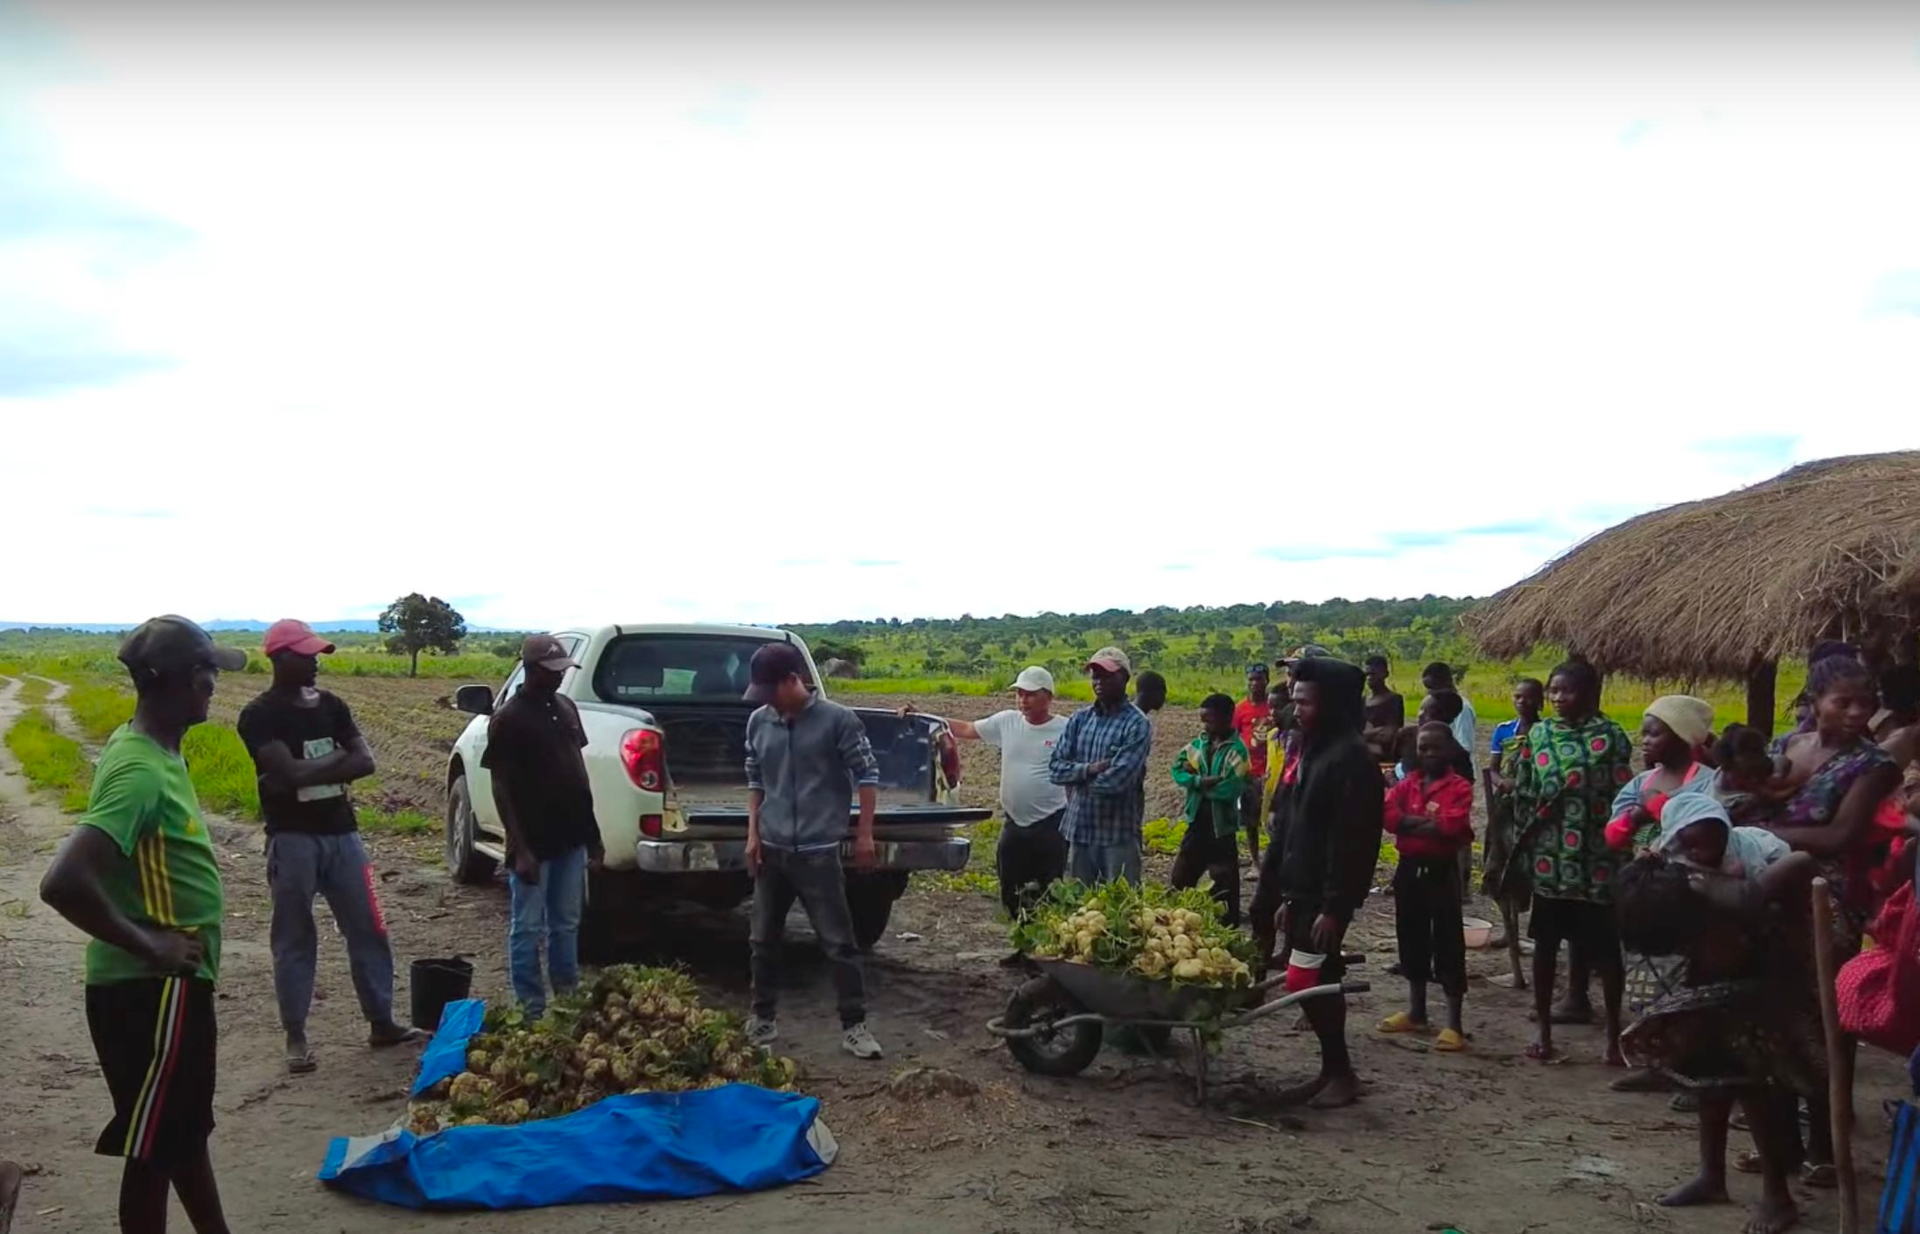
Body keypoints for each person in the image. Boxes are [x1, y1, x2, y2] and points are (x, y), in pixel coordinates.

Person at [38, 615, 245, 1234]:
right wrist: (150, 943)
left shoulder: (152, 750)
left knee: (179, 1134)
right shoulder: (140, 772)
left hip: (168, 988)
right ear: (176, 680)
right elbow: (64, 880)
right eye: (207, 672)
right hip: (151, 991)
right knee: (153, 1150)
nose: (214, 683)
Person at [237, 619, 425, 1073]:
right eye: (307, 655)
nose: (316, 662)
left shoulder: (332, 705)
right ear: (281, 659)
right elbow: (295, 772)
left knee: (370, 928)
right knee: (294, 937)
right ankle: (296, 1035)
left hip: (344, 834)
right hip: (292, 838)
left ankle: (381, 1022)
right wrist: (336, 762)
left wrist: (304, 771)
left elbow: (365, 762)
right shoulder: (259, 715)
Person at [1615, 850, 1821, 1234]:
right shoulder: (1676, 899)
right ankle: (1712, 1177)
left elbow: (1803, 861)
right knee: (1709, 1074)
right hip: (1723, 985)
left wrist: (1796, 920)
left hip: (1769, 982)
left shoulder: (1738, 898)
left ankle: (1777, 1196)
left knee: (1756, 1087)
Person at [1249, 656, 1383, 1109]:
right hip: (1303, 891)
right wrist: (1287, 896)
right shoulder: (1313, 749)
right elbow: (1297, 828)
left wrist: (1335, 908)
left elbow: (1353, 845)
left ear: (1333, 705)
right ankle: (1333, 1070)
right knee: (1308, 978)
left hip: (1325, 897)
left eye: (1306, 702)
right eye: (1295, 700)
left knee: (1312, 977)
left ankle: (1341, 1073)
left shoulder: (1351, 761)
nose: (1296, 710)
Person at [741, 642, 885, 1060]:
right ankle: (762, 1019)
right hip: (772, 849)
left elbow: (867, 775)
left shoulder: (837, 720)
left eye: (771, 690)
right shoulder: (759, 721)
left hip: (819, 852)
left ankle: (854, 1026)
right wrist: (752, 834)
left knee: (839, 943)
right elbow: (755, 779)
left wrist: (865, 835)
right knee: (762, 940)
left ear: (793, 680)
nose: (766, 700)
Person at [1514, 659, 1634, 1064]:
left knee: (1606, 951)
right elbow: (1526, 790)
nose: (1558, 698)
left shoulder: (1611, 736)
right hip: (1550, 862)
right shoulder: (1540, 734)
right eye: (1553, 690)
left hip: (1597, 861)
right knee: (1545, 946)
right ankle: (1544, 1032)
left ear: (1589, 694)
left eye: (1567, 691)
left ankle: (1614, 1037)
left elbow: (1623, 796)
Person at [481, 635, 604, 1020]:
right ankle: (530, 1008)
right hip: (533, 841)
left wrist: (593, 835)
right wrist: (520, 848)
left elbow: (578, 772)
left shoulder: (566, 708)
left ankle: (567, 1000)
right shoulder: (509, 718)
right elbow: (501, 785)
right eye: (551, 671)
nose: (558, 677)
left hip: (571, 836)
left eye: (562, 671)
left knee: (566, 924)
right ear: (531, 670)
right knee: (527, 927)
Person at [903, 667, 1067, 933]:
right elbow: (967, 729)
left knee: (1049, 889)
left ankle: (1045, 944)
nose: (1023, 700)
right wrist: (924, 717)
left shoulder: (1065, 728)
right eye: (1019, 694)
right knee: (1011, 885)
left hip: (1051, 822)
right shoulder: (1007, 722)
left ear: (1048, 697)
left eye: (1030, 694)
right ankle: (1021, 939)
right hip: (1015, 822)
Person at [1379, 722, 1473, 1050]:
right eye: (1423, 748)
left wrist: (1410, 824)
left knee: (1448, 940)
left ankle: (1454, 1024)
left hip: (1441, 870)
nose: (1429, 753)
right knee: (1411, 935)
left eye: (1436, 747)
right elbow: (1389, 817)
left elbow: (1452, 825)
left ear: (1450, 750)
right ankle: (1416, 1011)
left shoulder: (1459, 786)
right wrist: (1427, 824)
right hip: (1408, 869)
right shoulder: (1409, 784)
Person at [1048, 648, 1152, 884]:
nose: (1098, 682)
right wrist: (1091, 769)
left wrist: (1075, 777)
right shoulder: (1080, 719)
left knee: (1121, 902)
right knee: (1082, 903)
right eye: (1095, 676)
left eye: (1107, 676)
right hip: (1080, 830)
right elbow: (1054, 769)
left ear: (1125, 678)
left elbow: (1116, 782)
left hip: (1117, 835)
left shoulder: (1137, 723)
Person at [1170, 693, 1251, 925]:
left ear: (1227, 718)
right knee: (1180, 879)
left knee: (1223, 883)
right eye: (1203, 720)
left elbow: (1232, 788)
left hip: (1221, 827)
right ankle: (1180, 922)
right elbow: (1177, 770)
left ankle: (1227, 926)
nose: (1205, 726)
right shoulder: (1198, 745)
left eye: (1210, 720)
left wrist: (1197, 785)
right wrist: (1200, 782)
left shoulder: (1238, 751)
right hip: (1197, 822)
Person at [1483, 679, 1543, 989]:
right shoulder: (1503, 730)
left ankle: (1528, 935)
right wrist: (1501, 783)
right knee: (1497, 867)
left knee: (1526, 872)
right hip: (1505, 809)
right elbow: (1493, 769)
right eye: (1517, 696)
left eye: (1528, 697)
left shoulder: (1546, 733)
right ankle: (1510, 931)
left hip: (1532, 811)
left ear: (1540, 701)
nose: (1521, 702)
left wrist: (1524, 787)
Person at [1602, 695, 1719, 854]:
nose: (1645, 741)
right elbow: (1613, 838)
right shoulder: (1641, 782)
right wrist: (1638, 815)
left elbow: (1709, 836)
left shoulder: (1708, 783)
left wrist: (1660, 807)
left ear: (1682, 738)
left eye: (1654, 734)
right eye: (1644, 734)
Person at [1232, 664, 1274, 864]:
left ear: (1267, 681)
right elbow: (1233, 739)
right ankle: (1255, 862)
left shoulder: (1274, 705)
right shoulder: (1240, 709)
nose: (1255, 683)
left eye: (1259, 679)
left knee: (1275, 819)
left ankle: (1276, 860)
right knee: (1251, 821)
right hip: (1250, 773)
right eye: (1251, 679)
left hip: (1273, 771)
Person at [1421, 662, 1479, 770]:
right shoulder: (1430, 704)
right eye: (1427, 688)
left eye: (1432, 687)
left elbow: (1465, 745)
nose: (1429, 691)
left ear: (1444, 683)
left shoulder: (1463, 708)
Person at [1362, 654, 1406, 770]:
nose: (1369, 678)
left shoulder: (1394, 700)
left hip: (1385, 757)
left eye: (1373, 674)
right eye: (1367, 674)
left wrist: (1364, 735)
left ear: (1385, 674)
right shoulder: (1362, 701)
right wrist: (1376, 732)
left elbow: (1389, 736)